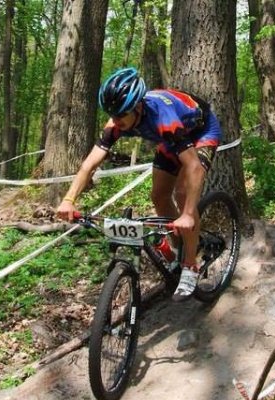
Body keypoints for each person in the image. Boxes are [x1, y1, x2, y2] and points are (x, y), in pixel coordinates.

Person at [56, 67, 222, 302]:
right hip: (171, 139)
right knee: (159, 195)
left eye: (121, 116)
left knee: (184, 195)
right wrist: (68, 200)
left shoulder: (164, 118)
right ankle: (178, 247)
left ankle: (190, 264)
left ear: (138, 107)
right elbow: (90, 163)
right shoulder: (116, 121)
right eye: (112, 116)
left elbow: (194, 167)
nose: (116, 121)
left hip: (201, 132)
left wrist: (186, 215)